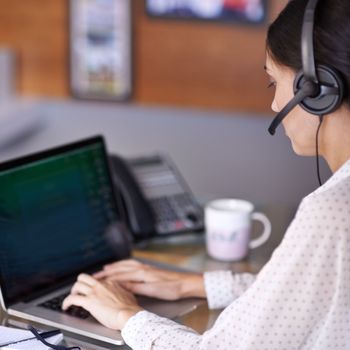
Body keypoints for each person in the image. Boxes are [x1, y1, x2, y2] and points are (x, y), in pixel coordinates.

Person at [62, 0, 350, 348]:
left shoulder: (333, 212)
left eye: (274, 83)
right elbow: (305, 292)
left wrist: (126, 315)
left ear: (318, 90)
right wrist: (188, 284)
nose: (274, 107)